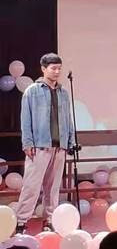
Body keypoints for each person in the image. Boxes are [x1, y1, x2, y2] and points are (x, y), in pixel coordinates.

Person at [15, 53, 75, 233]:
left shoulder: (64, 93)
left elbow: (68, 119)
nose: (57, 72)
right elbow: (25, 119)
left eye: (59, 68)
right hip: (39, 147)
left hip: (59, 147)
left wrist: (70, 141)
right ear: (43, 69)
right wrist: (27, 143)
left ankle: (50, 221)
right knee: (31, 187)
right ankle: (21, 222)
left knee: (53, 188)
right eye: (53, 68)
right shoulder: (32, 91)